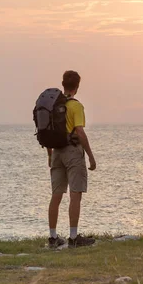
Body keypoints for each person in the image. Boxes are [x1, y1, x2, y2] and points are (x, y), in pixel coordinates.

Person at [47, 70, 97, 248]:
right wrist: (90, 156)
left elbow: (48, 131)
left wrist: (50, 154)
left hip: (56, 152)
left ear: (62, 84)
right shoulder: (76, 106)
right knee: (75, 194)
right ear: (77, 86)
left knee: (56, 195)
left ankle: (53, 238)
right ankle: (73, 237)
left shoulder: (52, 105)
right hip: (72, 152)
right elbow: (80, 132)